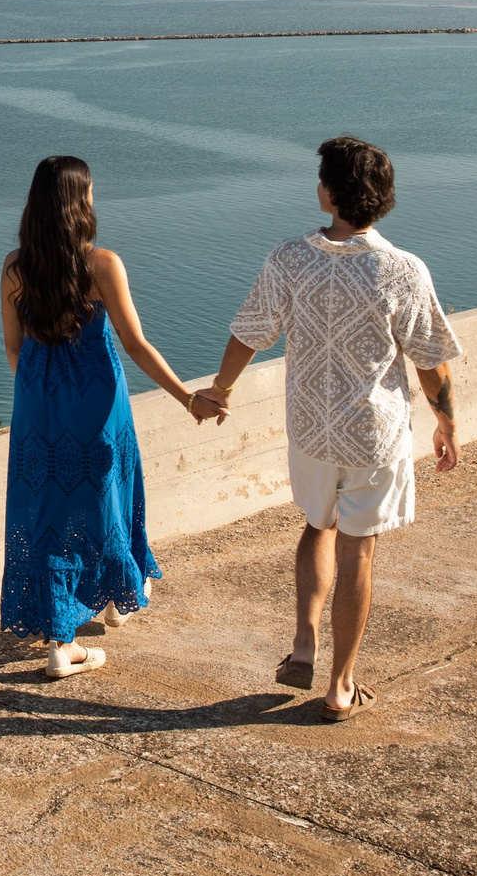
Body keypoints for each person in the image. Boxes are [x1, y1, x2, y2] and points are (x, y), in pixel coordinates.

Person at [192, 136, 461, 722]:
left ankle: (303, 644)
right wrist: (446, 423)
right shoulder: (403, 270)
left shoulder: (290, 258)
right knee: (358, 547)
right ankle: (341, 686)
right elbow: (431, 362)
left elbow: (250, 332)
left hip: (312, 429)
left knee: (318, 525)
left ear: (330, 194)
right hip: (373, 435)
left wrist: (221, 390)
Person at [0, 155, 210, 679]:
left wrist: (44, 393)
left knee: (45, 514)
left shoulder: (15, 268)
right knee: (108, 500)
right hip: (98, 408)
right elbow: (136, 345)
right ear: (79, 202)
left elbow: (14, 350)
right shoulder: (102, 265)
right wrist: (187, 398)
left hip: (37, 409)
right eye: (90, 191)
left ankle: (61, 643)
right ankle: (118, 595)